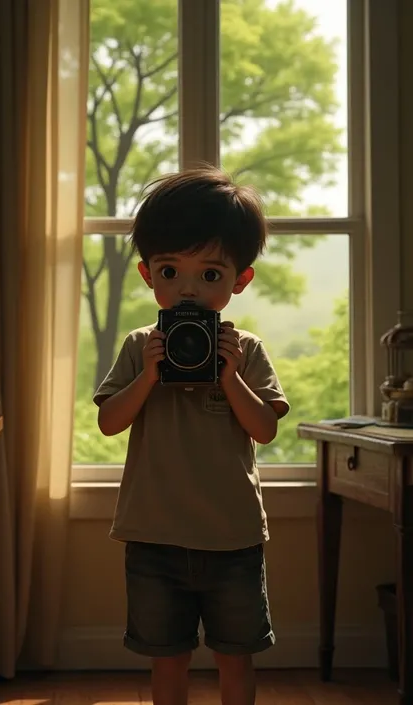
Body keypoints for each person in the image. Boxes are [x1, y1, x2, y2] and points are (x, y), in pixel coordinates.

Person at [93, 166, 290, 705]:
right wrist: (149, 376)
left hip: (232, 537)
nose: (187, 289)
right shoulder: (140, 345)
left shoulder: (244, 350)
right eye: (170, 271)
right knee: (167, 657)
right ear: (146, 274)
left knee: (236, 653)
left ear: (239, 281)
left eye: (210, 275)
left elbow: (265, 430)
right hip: (154, 533)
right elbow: (110, 422)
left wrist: (229, 378)